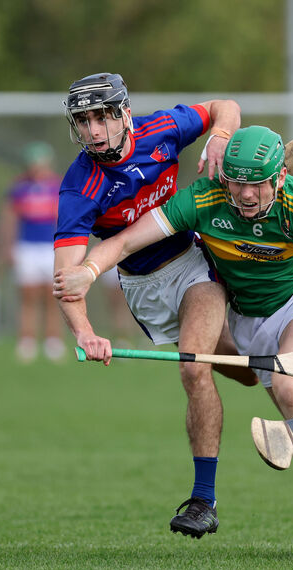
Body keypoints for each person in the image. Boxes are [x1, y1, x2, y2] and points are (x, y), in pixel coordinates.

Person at [54, 126, 293, 553]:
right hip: (248, 318)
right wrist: (88, 272)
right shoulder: (202, 200)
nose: (247, 194)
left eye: (257, 184)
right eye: (236, 182)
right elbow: (125, 241)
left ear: (277, 179)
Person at [53, 72, 258, 540]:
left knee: (192, 367)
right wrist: (84, 332)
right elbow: (68, 277)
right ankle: (285, 349)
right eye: (84, 121)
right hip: (141, 286)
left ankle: (203, 500)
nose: (95, 131)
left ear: (124, 113)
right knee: (244, 369)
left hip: (191, 261)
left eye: (103, 116)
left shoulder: (161, 129)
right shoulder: (78, 185)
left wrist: (220, 139)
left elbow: (224, 102)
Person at [1, 142, 66, 362]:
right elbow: (10, 219)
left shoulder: (56, 186)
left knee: (52, 296)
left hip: (50, 248)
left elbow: (62, 219)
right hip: (26, 247)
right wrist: (8, 246)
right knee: (28, 296)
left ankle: (52, 341)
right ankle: (27, 341)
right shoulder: (19, 188)